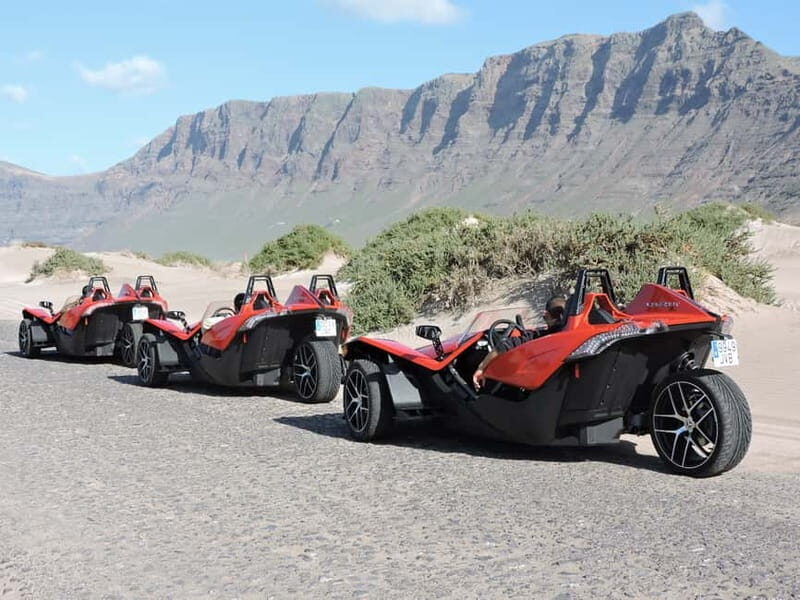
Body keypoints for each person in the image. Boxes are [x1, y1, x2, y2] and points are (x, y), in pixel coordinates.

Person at [472, 295, 566, 390]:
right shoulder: (564, 332)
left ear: (546, 314)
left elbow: (503, 346)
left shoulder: (539, 337)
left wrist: (481, 368)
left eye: (544, 317)